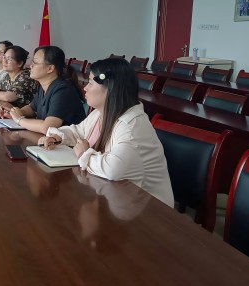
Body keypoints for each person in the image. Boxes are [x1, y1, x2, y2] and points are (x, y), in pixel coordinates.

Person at [38, 58, 174, 207]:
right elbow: (78, 131)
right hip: (119, 198)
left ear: (110, 88)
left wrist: (84, 154)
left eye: (91, 83)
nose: (85, 88)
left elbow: (114, 169)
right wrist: (56, 137)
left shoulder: (131, 125)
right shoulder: (101, 112)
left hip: (150, 208)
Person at [0, 45, 85, 134]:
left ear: (50, 68)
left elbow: (47, 127)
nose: (31, 66)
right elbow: (32, 108)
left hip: (69, 142)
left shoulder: (63, 90)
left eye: (35, 63)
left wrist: (19, 120)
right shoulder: (43, 85)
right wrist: (15, 112)